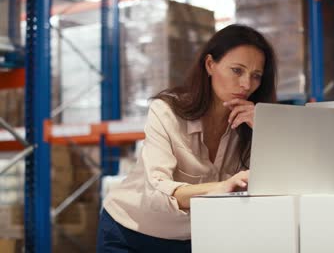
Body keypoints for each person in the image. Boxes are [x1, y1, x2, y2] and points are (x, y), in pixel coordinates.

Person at [97, 24, 277, 252]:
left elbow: (279, 186)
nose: (246, 84)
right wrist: (221, 187)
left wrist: (265, 129)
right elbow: (157, 191)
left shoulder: (252, 125)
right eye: (237, 70)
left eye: (256, 75)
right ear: (210, 65)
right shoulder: (166, 111)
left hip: (196, 237)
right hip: (131, 233)